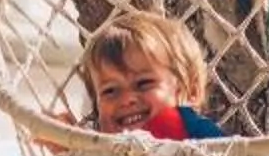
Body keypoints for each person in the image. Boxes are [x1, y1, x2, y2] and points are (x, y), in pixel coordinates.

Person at [81, 13, 227, 138]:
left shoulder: (202, 137)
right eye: (110, 91)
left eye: (143, 83)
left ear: (191, 91)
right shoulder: (100, 150)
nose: (127, 99)